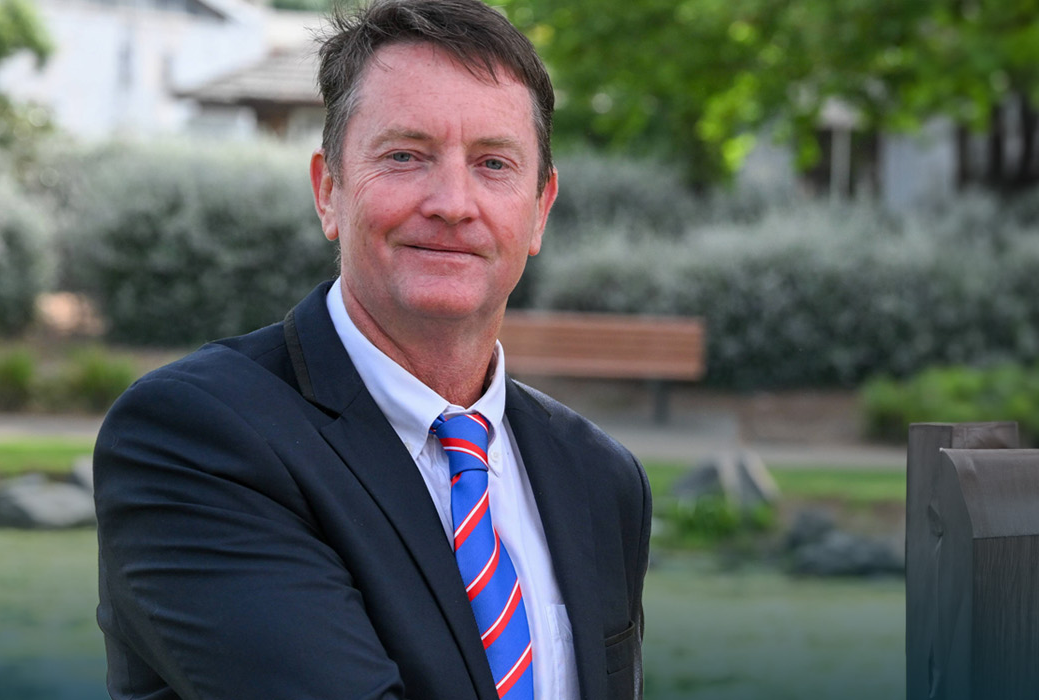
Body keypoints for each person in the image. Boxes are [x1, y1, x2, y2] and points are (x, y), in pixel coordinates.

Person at [90, 1, 651, 698]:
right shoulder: (196, 439)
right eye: (405, 156)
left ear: (539, 210)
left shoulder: (599, 478)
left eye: (493, 163)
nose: (452, 202)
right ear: (329, 191)